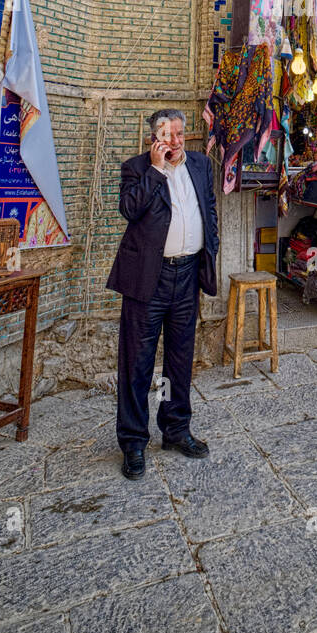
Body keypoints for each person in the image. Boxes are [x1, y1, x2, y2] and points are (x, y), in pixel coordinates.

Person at [107, 108, 219, 480]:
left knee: (179, 359)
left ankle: (175, 428)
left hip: (186, 276)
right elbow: (129, 209)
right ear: (153, 139)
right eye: (165, 135)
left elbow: (210, 210)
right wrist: (156, 170)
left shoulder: (201, 166)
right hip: (147, 280)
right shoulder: (137, 169)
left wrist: (210, 248)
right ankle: (134, 441)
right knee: (137, 362)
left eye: (178, 134)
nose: (173, 141)